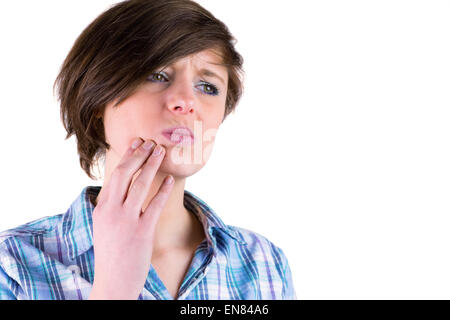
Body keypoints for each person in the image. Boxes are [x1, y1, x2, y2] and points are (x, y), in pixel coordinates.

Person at [0, 0, 296, 300]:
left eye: (208, 86)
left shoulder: (264, 266)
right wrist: (113, 290)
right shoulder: (12, 265)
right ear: (97, 100)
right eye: (157, 75)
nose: (186, 101)